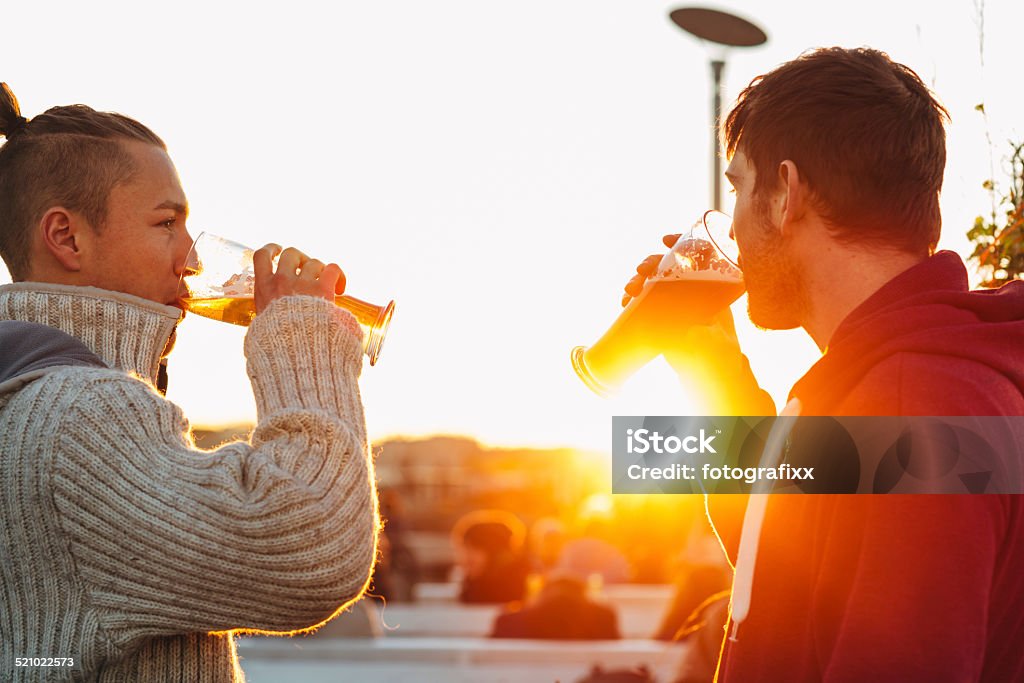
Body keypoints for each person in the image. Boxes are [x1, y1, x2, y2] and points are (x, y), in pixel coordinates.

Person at [621, 49, 1024, 681]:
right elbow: (786, 554)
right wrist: (713, 369)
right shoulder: (919, 378)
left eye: (738, 187)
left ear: (786, 193)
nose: (731, 228)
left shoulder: (912, 403)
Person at [0, 84, 379, 681]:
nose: (192, 260)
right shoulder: (78, 416)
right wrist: (302, 340)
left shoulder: (28, 396)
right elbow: (314, 543)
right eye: (167, 222)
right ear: (66, 237)